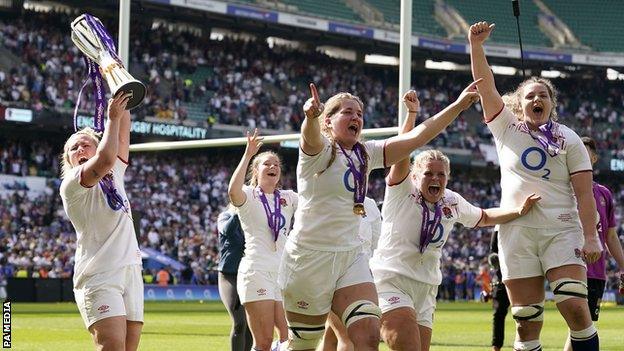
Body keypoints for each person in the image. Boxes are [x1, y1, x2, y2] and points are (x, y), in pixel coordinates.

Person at [279, 81, 480, 351]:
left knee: (368, 335)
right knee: (303, 345)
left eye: (360, 114)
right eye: (347, 112)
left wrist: (456, 106)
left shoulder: (366, 153)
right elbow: (310, 137)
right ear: (329, 120)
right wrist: (311, 118)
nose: (356, 117)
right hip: (308, 258)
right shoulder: (319, 152)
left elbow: (417, 138)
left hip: (350, 257)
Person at [469, 21, 603, 351]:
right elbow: (486, 87)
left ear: (551, 103)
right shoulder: (506, 128)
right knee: (526, 321)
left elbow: (585, 194)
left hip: (561, 229)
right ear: (520, 104)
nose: (537, 98)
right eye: (530, 95)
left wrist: (590, 235)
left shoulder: (569, 139)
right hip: (516, 232)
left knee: (574, 308)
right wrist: (476, 46)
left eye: (543, 95)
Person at [369, 93, 540, 351]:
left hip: (427, 286)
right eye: (428, 173)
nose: (435, 179)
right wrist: (412, 115)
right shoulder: (403, 191)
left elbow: (483, 217)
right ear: (415, 176)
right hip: (391, 279)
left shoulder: (451, 201)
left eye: (441, 174)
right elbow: (402, 150)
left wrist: (517, 210)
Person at [59, 93, 143, 350]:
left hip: (130, 270)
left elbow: (123, 128)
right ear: (69, 160)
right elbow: (106, 157)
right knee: (112, 346)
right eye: (74, 148)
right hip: (99, 274)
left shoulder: (114, 170)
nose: (80, 149)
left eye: (86, 144)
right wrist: (111, 118)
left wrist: (117, 80)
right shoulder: (72, 184)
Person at [228, 129, 298, 351]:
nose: (273, 167)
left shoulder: (288, 197)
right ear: (256, 171)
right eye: (267, 164)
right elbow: (232, 191)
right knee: (265, 341)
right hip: (256, 271)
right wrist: (248, 154)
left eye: (276, 164)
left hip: (282, 273)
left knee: (290, 339)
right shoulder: (248, 195)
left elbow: (314, 202)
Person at [561, 137, 624, 351]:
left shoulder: (605, 193)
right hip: (570, 266)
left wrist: (623, 265)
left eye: (584, 154)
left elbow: (611, 237)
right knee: (579, 325)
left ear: (594, 158)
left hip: (596, 272)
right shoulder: (563, 190)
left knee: (581, 329)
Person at [321, 196, 381, 351]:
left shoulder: (371, 204)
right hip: (334, 273)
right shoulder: (331, 195)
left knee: (332, 334)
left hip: (360, 276)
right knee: (348, 337)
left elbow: (375, 244)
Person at [217, 205, 253, 351]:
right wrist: (239, 211)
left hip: (249, 275)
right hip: (229, 276)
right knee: (239, 322)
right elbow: (227, 230)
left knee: (251, 325)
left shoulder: (252, 221)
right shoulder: (225, 216)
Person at [488, 226, 510, 351]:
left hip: (521, 273)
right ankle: (496, 347)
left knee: (524, 312)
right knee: (498, 314)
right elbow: (492, 253)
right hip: (502, 276)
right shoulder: (498, 226)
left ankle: (524, 344)